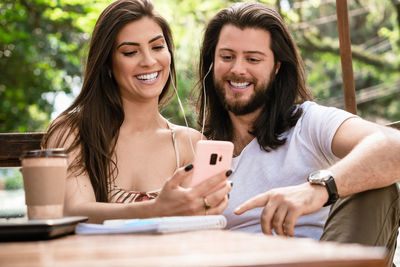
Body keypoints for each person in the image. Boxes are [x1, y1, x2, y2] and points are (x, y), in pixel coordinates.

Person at [196, 1, 400, 264]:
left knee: (374, 181)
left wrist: (318, 189)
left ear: (277, 66)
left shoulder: (308, 123)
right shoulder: (199, 151)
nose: (238, 68)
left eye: (253, 58)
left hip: (319, 256)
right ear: (212, 62)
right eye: (226, 57)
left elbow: (393, 144)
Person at [41, 0, 232, 223]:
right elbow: (75, 211)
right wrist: (155, 209)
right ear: (107, 65)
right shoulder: (73, 132)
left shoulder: (190, 143)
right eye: (131, 52)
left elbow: (196, 225)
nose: (149, 61)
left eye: (158, 47)